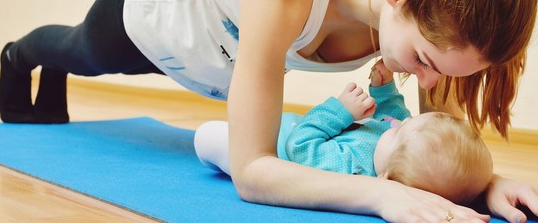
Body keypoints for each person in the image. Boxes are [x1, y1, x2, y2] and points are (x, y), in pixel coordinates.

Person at [0, 0, 538, 222]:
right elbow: (253, 171)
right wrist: (379, 197)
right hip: (154, 17)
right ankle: (22, 55)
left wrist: (484, 183)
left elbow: (436, 137)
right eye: (424, 63)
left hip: (221, 61)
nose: (428, 85)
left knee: (81, 58)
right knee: (80, 52)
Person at [195, 60, 493, 205]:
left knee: (206, 135)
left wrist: (341, 110)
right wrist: (383, 86)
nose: (398, 123)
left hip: (276, 147)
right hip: (283, 121)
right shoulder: (398, 146)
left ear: (387, 180)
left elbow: (300, 145)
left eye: (400, 132)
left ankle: (220, 157)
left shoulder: (349, 167)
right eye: (409, 123)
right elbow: (395, 112)